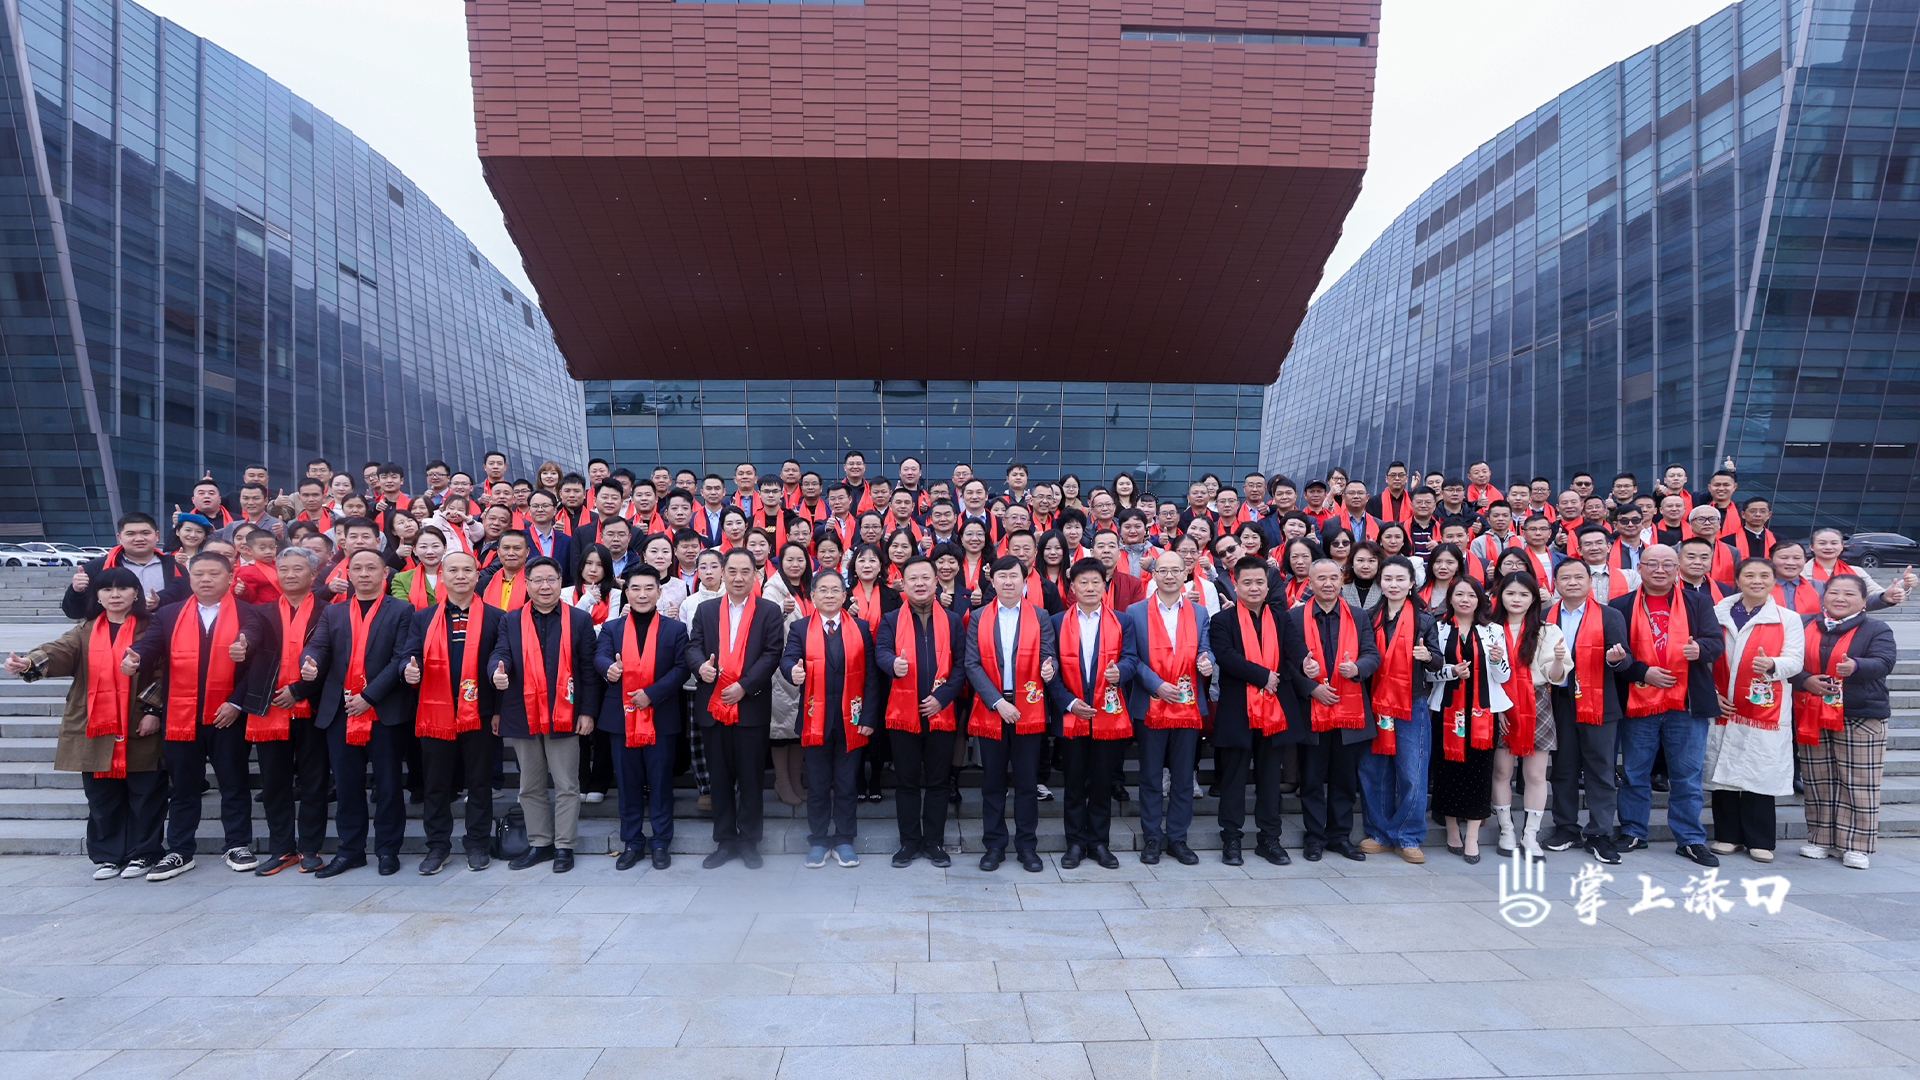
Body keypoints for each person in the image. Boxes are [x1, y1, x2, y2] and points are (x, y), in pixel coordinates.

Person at [125, 552, 276, 881]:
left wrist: (236, 702)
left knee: (234, 783)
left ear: (230, 578)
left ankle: (237, 844)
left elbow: (257, 662)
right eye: (199, 574)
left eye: (213, 574)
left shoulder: (249, 613)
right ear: (189, 578)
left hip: (227, 715)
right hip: (181, 715)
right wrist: (136, 659)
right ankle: (180, 850)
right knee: (183, 787)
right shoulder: (170, 613)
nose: (205, 580)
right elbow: (150, 647)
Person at [6, 567, 165, 879]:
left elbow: (165, 670)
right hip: (95, 725)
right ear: (98, 596)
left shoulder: (153, 628)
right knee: (102, 796)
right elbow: (58, 651)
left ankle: (144, 853)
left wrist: (153, 711)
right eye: (107, 589)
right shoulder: (85, 630)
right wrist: (28, 662)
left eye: (123, 588)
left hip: (138, 722)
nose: (115, 595)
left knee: (146, 794)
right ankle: (109, 856)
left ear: (136, 593)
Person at [298, 548, 417, 877]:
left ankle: (387, 850)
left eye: (371, 568)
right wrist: (309, 662)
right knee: (347, 786)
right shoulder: (333, 612)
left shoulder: (402, 610)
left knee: (388, 785)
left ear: (384, 573)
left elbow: (400, 658)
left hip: (383, 711)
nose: (364, 574)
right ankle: (351, 851)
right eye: (357, 568)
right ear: (347, 574)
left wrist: (369, 696)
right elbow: (318, 647)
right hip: (341, 711)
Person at [1610, 544, 1727, 867]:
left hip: (1685, 702)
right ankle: (1633, 831)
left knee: (1687, 775)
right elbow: (1616, 654)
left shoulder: (1698, 602)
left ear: (1677, 569)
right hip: (1638, 703)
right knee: (1635, 772)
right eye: (1652, 564)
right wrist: (1642, 672)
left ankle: (1690, 839)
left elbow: (1715, 643)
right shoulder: (1621, 605)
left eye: (1667, 564)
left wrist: (1700, 650)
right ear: (1640, 568)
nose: (1659, 570)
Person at [488, 556, 601, 873]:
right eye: (537, 580)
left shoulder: (579, 620)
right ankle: (540, 843)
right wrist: (496, 672)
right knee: (530, 785)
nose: (544, 586)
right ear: (526, 584)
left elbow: (588, 671)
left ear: (560, 582)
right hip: (522, 712)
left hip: (565, 713)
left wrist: (588, 712)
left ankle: (564, 846)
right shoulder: (511, 620)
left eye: (551, 579)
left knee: (567, 784)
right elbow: (501, 653)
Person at [393, 549, 503, 874]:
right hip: (436, 712)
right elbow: (409, 654)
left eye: (467, 570)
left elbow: (502, 658)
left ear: (477, 576)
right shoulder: (423, 617)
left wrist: (499, 708)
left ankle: (477, 843)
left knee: (479, 782)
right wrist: (406, 669)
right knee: (436, 784)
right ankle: (438, 846)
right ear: (441, 576)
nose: (460, 576)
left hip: (480, 711)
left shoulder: (497, 617)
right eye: (453, 570)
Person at [1210, 556, 1315, 866]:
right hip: (1237, 711)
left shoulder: (1280, 617)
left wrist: (1306, 663)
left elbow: (1294, 649)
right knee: (1233, 778)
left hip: (1275, 711)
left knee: (1270, 779)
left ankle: (1269, 839)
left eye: (1259, 582)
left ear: (1268, 586)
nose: (1254, 587)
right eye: (1247, 582)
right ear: (1236, 585)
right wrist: (1262, 676)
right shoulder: (1222, 620)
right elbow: (1226, 656)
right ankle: (1231, 838)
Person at [686, 549, 787, 868]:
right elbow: (692, 647)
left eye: (746, 571)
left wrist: (744, 685)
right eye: (732, 571)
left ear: (756, 575)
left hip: (750, 706)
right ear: (722, 573)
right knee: (719, 778)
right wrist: (700, 667)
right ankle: (725, 841)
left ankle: (749, 842)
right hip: (713, 706)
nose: (739, 577)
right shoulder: (706, 610)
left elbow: (772, 653)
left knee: (751, 778)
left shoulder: (768, 611)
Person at [1791, 573, 1899, 869]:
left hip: (1860, 714)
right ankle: (1820, 839)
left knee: (1859, 782)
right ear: (1823, 597)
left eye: (1850, 594)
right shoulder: (1803, 623)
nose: (1840, 598)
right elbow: (1788, 660)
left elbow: (1884, 662)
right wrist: (1804, 679)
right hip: (1812, 712)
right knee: (1818, 780)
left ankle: (1856, 845)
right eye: (1834, 592)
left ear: (1864, 601)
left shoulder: (1876, 628)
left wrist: (1856, 666)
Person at [1703, 557, 1804, 864]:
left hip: (1764, 708)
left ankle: (1760, 840)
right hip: (1723, 704)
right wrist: (1712, 694)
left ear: (1774, 580)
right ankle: (1727, 836)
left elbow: (1795, 660)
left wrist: (1773, 664)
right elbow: (1704, 659)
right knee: (1722, 773)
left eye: (1764, 575)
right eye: (1749, 575)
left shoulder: (1787, 618)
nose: (1756, 580)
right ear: (1737, 580)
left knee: (1759, 771)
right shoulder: (1716, 613)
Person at [780, 571, 883, 868]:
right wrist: (792, 671)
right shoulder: (800, 628)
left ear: (844, 596)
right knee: (818, 784)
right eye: (822, 590)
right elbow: (788, 659)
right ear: (812, 596)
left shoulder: (860, 628)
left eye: (835, 590)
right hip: (815, 719)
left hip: (852, 718)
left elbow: (871, 676)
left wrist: (869, 716)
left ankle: (844, 839)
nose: (829, 595)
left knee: (847, 784)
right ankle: (818, 840)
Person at [1123, 539, 1216, 866]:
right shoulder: (1135, 612)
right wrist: (1157, 685)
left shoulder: (1199, 612)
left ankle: (1177, 838)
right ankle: (1152, 837)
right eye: (1163, 570)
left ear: (1186, 572)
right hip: (1150, 705)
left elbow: (1206, 648)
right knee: (1150, 776)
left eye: (1176, 570)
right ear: (1154, 575)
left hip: (1187, 706)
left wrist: (1207, 661)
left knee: (1182, 776)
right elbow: (1131, 658)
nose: (1170, 576)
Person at [965, 554, 1058, 873]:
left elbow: (1049, 654)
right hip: (993, 708)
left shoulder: (1040, 615)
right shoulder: (979, 616)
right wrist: (997, 702)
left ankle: (1027, 846)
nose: (1008, 581)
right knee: (993, 782)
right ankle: (994, 845)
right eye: (1002, 576)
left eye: (1014, 576)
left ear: (1024, 579)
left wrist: (1049, 669)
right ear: (992, 580)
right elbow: (971, 664)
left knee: (1027, 782)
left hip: (1027, 709)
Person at [593, 566, 690, 870]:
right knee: (627, 784)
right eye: (635, 588)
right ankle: (632, 842)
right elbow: (600, 656)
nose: (642, 594)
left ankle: (660, 842)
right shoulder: (612, 628)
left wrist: (652, 693)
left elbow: (681, 668)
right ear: (627, 593)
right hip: (620, 718)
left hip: (661, 716)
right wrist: (608, 668)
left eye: (649, 588)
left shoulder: (675, 630)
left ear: (659, 592)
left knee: (660, 783)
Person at [1540, 559, 1634, 863]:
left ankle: (1599, 833)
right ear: (1556, 583)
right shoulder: (1544, 616)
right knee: (1563, 768)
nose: (1572, 582)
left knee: (1601, 769)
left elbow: (1626, 660)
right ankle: (1566, 827)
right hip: (1558, 701)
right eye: (1565, 577)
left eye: (1578, 577)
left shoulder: (1609, 615)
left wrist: (1614, 659)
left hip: (1599, 702)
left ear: (1589, 581)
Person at [876, 555, 966, 867]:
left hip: (941, 713)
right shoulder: (890, 619)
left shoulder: (952, 620)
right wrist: (893, 664)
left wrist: (943, 697)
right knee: (907, 782)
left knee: (938, 782)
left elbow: (961, 665)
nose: (919, 583)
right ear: (903, 583)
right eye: (912, 578)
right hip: (903, 715)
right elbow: (881, 652)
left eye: (925, 577)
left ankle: (934, 842)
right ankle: (909, 842)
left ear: (936, 581)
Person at [246, 547, 331, 876]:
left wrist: (298, 690)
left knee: (314, 782)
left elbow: (334, 658)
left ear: (313, 575)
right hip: (270, 708)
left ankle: (310, 848)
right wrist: (242, 646)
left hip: (312, 708)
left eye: (298, 569)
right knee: (274, 784)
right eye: (284, 569)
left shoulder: (329, 611)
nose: (290, 575)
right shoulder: (260, 612)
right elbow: (251, 645)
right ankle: (281, 849)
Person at [1290, 558, 1381, 862]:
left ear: (1342, 580)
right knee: (1312, 779)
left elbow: (1372, 654)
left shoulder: (1358, 616)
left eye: (1333, 577)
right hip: (1311, 711)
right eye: (1321, 578)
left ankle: (1340, 837)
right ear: (1310, 583)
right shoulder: (1294, 617)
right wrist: (1310, 687)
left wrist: (1357, 669)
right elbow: (1286, 662)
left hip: (1349, 711)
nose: (1328, 583)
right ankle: (1315, 837)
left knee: (1344, 780)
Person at [1356, 556, 1442, 863]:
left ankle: (1407, 835)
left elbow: (1438, 662)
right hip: (1375, 702)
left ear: (1411, 583)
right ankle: (1378, 833)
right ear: (1380, 582)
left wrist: (1427, 656)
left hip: (1411, 702)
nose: (1393, 584)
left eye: (1400, 579)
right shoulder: (1368, 617)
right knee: (1374, 770)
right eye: (1388, 579)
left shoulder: (1424, 620)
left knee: (1412, 771)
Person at [1428, 576, 1511, 864]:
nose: (1465, 600)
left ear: (1480, 600)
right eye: (1459, 594)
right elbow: (1428, 672)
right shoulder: (1437, 629)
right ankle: (1452, 829)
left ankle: (1473, 836)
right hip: (1446, 710)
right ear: (1450, 598)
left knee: (1479, 770)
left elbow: (1503, 676)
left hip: (1482, 712)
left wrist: (1497, 659)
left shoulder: (1493, 630)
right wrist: (1451, 672)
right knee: (1447, 770)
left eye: (1472, 595)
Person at [1487, 572, 1568, 861]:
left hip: (1536, 702)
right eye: (1510, 593)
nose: (1516, 599)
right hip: (1498, 702)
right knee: (1501, 771)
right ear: (1500, 596)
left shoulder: (1548, 630)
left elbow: (1555, 677)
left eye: (1524, 594)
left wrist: (1559, 659)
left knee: (1535, 774)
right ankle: (1506, 829)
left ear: (1534, 598)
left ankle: (1530, 834)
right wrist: (1498, 708)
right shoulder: (1489, 628)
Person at [762, 540, 814, 807]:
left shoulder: (811, 587)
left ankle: (796, 781)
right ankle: (782, 782)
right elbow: (765, 627)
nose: (795, 564)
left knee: (799, 728)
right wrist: (782, 612)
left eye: (800, 559)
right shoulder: (772, 589)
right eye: (789, 559)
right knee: (781, 728)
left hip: (809, 666)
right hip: (781, 667)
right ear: (780, 563)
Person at [63, 512, 184, 618]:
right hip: (114, 634)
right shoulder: (98, 568)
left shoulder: (176, 567)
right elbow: (74, 613)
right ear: (119, 538)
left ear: (157, 536)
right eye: (130, 534)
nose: (139, 538)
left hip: (166, 632)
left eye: (145, 533)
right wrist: (76, 591)